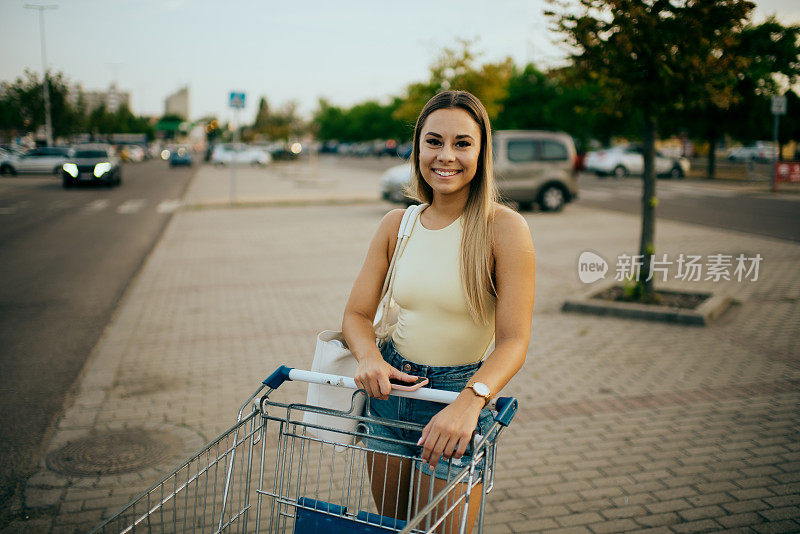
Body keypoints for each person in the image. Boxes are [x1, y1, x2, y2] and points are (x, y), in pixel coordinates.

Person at [342, 90, 535, 532]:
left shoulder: (503, 228)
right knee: (395, 527)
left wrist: (469, 403)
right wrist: (370, 358)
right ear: (418, 149)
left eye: (462, 143)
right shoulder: (397, 224)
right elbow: (355, 315)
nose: (446, 156)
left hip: (456, 399)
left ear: (481, 151)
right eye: (434, 142)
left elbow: (514, 342)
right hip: (389, 400)